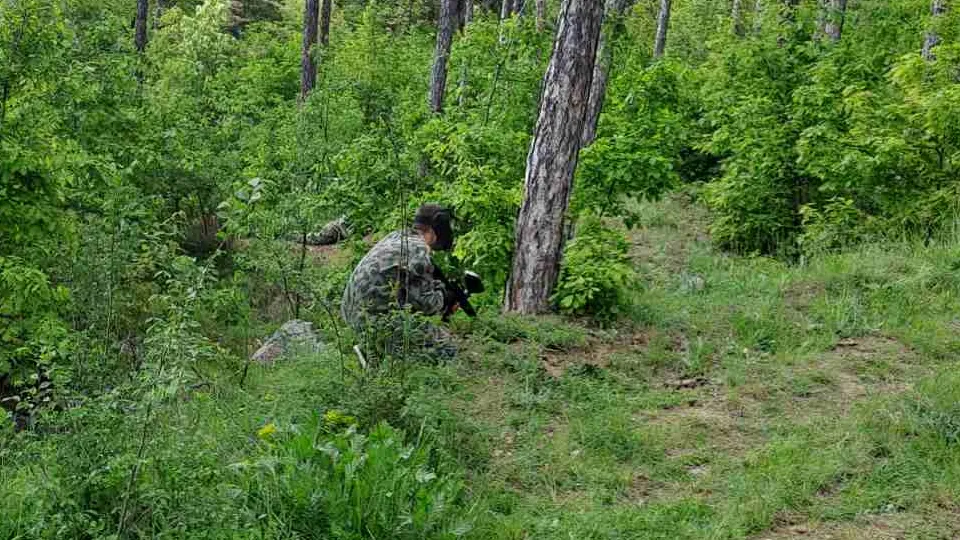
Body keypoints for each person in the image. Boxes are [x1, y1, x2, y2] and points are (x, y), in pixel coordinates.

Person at [341, 204, 458, 363]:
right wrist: (445, 297)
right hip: (372, 321)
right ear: (435, 229)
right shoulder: (419, 250)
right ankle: (378, 355)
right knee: (447, 347)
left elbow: (406, 293)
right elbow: (427, 305)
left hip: (351, 315)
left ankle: (377, 347)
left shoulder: (397, 237)